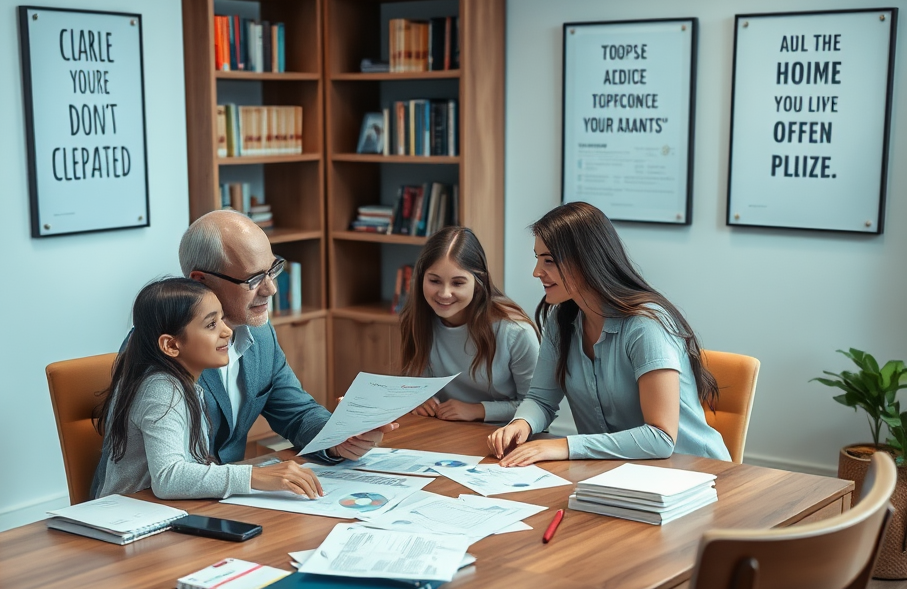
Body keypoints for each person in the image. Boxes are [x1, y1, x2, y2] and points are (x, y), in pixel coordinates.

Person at [91, 211, 393, 499]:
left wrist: (339, 438)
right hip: (146, 508)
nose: (271, 289)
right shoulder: (161, 353)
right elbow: (169, 474)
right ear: (201, 281)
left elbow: (297, 413)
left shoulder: (260, 334)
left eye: (273, 270)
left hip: (217, 500)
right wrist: (252, 476)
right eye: (253, 279)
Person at [488, 201, 730, 465]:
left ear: (587, 260)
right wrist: (521, 423)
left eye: (549, 261)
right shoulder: (561, 320)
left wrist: (565, 445)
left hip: (697, 473)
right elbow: (541, 399)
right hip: (619, 473)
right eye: (537, 259)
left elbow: (661, 437)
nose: (537, 272)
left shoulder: (646, 326)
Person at [93, 278, 322, 500]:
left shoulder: (188, 386)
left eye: (222, 319)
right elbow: (168, 478)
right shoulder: (161, 389)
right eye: (212, 324)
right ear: (171, 345)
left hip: (168, 511)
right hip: (129, 514)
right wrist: (253, 476)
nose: (227, 332)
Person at [399, 226, 539, 423]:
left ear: (478, 283)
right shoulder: (416, 321)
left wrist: (478, 410)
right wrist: (417, 400)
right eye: (434, 281)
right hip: (443, 429)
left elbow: (538, 406)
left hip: (503, 432)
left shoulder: (516, 332)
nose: (444, 293)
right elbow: (415, 386)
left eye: (458, 283)